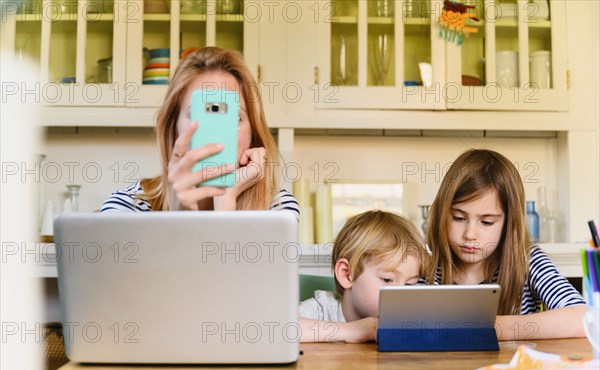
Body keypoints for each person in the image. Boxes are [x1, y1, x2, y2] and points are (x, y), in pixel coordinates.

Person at [101, 47, 298, 217]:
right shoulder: (127, 207)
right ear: (173, 127)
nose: (217, 133)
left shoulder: (278, 209)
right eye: (199, 114)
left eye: (235, 117)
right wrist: (178, 221)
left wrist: (225, 199)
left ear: (253, 133)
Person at [425, 148, 585, 340]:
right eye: (459, 218)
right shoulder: (427, 267)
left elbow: (584, 318)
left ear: (508, 223)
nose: (470, 234)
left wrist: (491, 327)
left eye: (487, 222)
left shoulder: (528, 261)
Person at [299, 210, 428, 343]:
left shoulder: (408, 316)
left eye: (409, 284)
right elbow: (281, 328)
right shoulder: (323, 309)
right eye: (387, 280)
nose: (401, 296)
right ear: (347, 274)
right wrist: (358, 331)